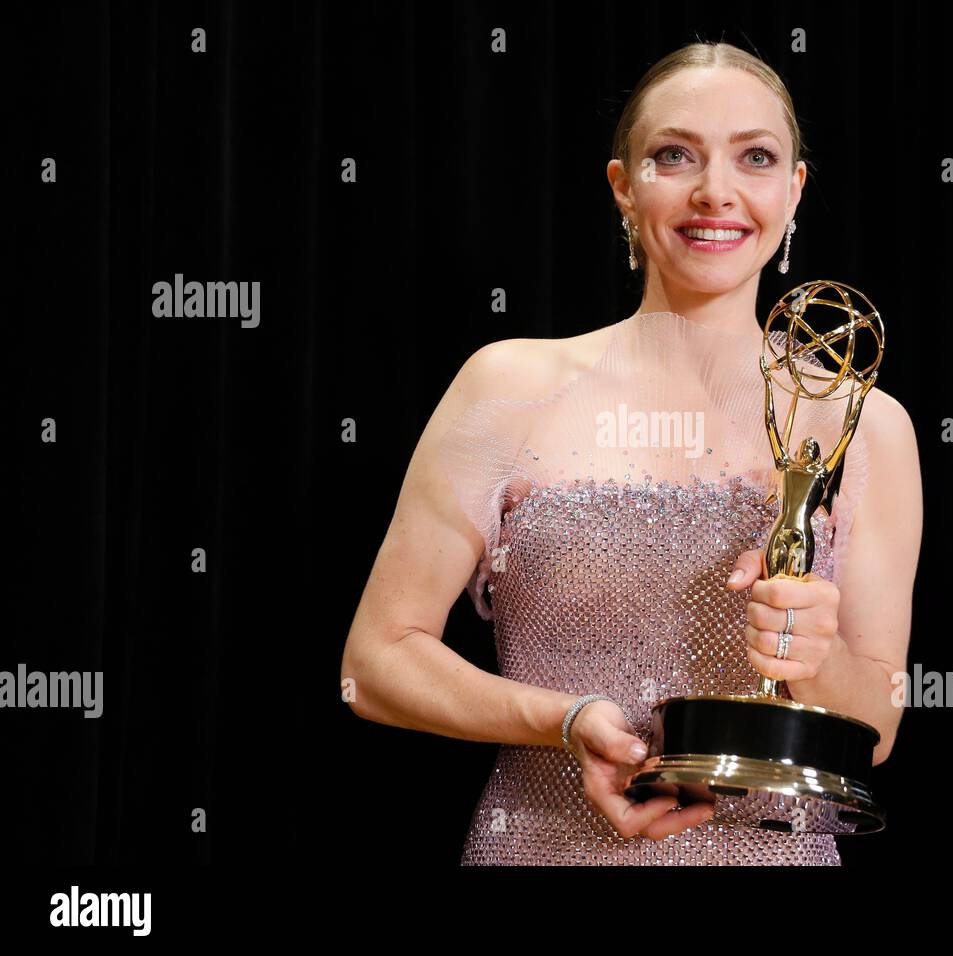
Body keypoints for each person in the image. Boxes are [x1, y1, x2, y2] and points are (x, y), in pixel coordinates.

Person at [340, 41, 923, 865]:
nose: (715, 191)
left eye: (755, 157)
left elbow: (877, 731)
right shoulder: (507, 385)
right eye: (674, 155)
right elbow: (374, 663)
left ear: (793, 192)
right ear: (623, 186)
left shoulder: (868, 421)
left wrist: (814, 659)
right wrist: (565, 722)